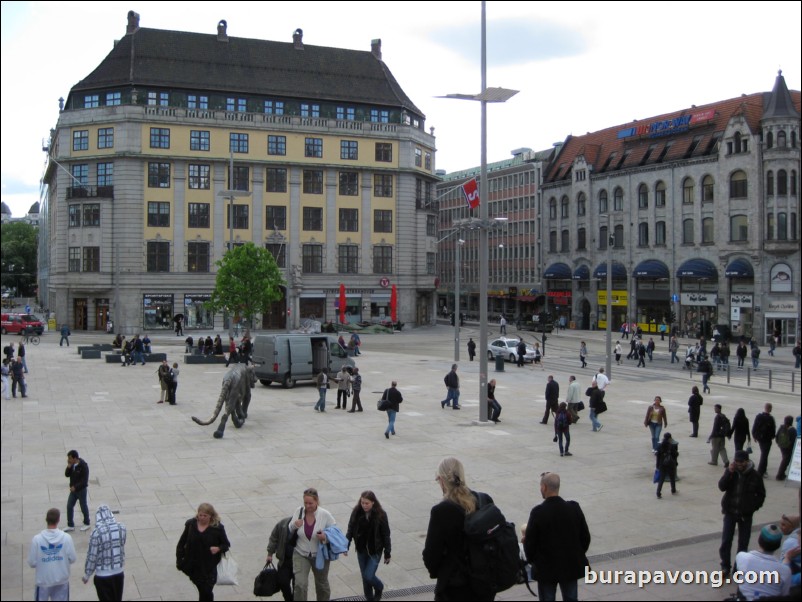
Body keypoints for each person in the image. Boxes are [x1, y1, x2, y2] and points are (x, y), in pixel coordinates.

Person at [423, 457, 495, 601]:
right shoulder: (484, 499)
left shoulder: (441, 511)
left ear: (441, 480)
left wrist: (442, 570)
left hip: (455, 586)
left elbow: (431, 555)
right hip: (484, 584)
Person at [523, 472, 590, 601]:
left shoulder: (538, 512)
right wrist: (577, 553)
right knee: (571, 597)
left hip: (546, 568)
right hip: (570, 565)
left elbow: (531, 543)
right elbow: (585, 537)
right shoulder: (573, 508)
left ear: (544, 487)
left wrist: (533, 560)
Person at [718, 449, 766, 576]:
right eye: (736, 461)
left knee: (743, 543)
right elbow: (721, 486)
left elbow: (761, 495)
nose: (738, 464)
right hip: (730, 511)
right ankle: (725, 566)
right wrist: (729, 472)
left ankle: (738, 568)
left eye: (741, 461)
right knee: (726, 540)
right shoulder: (732, 472)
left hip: (746, 514)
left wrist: (753, 506)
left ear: (747, 461)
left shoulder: (755, 476)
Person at [289, 488, 336, 602]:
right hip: (301, 553)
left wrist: (325, 537)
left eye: (311, 503)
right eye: (305, 503)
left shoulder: (325, 514)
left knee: (322, 585)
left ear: (317, 501)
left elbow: (335, 533)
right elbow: (290, 528)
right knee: (300, 584)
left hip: (319, 555)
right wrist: (295, 525)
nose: (308, 506)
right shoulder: (299, 511)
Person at [176, 502, 231, 601]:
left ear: (211, 516)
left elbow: (226, 545)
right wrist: (180, 562)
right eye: (200, 515)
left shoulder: (217, 528)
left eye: (205, 516)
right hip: (194, 566)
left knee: (206, 592)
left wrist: (218, 548)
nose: (202, 518)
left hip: (209, 567)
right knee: (203, 591)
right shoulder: (191, 525)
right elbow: (181, 544)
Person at [345, 491, 391, 601]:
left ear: (373, 502)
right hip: (361, 550)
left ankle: (379, 587)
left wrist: (387, 552)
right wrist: (345, 546)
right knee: (365, 578)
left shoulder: (381, 515)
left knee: (369, 575)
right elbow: (350, 529)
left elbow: (386, 534)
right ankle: (369, 598)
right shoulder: (356, 512)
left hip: (375, 550)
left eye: (367, 503)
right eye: (362, 503)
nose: (364, 505)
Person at [28, 508, 76, 602]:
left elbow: (32, 562)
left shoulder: (37, 539)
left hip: (43, 581)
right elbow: (73, 558)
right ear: (58, 520)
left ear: (46, 520)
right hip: (61, 580)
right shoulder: (66, 538)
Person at [735, 524, 792, 599]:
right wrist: (787, 560)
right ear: (778, 545)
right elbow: (784, 594)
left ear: (759, 540)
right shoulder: (785, 570)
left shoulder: (742, 557)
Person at [82, 504, 126, 601]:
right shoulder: (121, 528)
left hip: (103, 576)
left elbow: (92, 556)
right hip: (119, 572)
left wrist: (87, 574)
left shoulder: (97, 532)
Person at [266, 516, 295, 602]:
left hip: (299, 562)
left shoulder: (306, 526)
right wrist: (270, 554)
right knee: (283, 582)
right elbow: (274, 537)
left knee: (298, 585)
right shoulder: (283, 523)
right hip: (284, 560)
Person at [65, 450, 90, 532]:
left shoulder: (83, 466)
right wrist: (68, 467)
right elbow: (67, 475)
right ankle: (70, 524)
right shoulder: (72, 465)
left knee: (83, 506)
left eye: (70, 458)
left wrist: (75, 487)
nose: (68, 460)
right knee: (69, 506)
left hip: (81, 490)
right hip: (73, 490)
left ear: (75, 458)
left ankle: (87, 523)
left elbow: (84, 481)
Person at [752, 403, 776, 478]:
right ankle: (760, 472)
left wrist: (755, 436)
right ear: (769, 408)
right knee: (764, 455)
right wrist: (773, 436)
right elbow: (773, 429)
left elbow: (754, 427)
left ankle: (764, 470)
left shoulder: (758, 416)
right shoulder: (771, 418)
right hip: (767, 439)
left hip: (760, 438)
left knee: (764, 454)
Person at [655, 432, 679, 498]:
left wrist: (657, 466)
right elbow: (676, 454)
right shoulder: (670, 445)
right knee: (672, 477)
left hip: (662, 465)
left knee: (661, 479)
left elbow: (658, 457)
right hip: (670, 464)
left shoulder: (660, 446)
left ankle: (658, 493)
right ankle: (673, 490)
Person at [775, 415, 797, 481]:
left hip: (782, 447)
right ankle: (779, 475)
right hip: (788, 448)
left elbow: (777, 436)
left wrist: (779, 444)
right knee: (785, 461)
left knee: (784, 460)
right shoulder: (792, 430)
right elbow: (794, 440)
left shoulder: (781, 427)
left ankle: (782, 474)